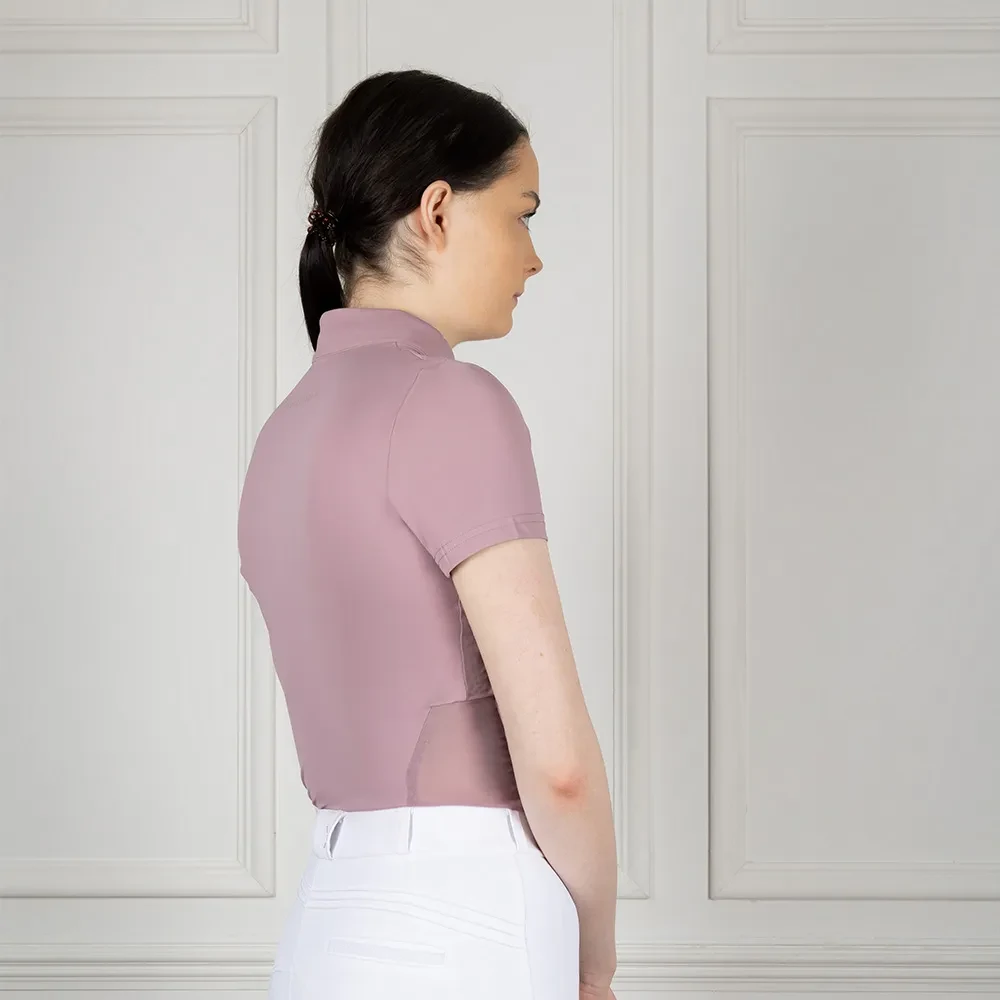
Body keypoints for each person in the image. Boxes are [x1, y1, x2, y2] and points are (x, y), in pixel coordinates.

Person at [237, 68, 618, 1000]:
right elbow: (559, 767)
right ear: (438, 211)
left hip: (326, 919)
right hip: (469, 920)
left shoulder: (284, 432)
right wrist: (595, 965)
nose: (535, 258)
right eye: (523, 215)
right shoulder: (455, 403)